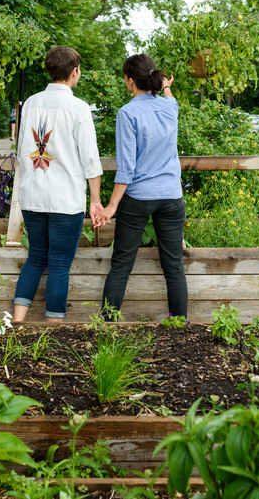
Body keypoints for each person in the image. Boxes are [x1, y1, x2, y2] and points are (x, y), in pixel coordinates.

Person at [12, 46, 104, 323]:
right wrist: (96, 201)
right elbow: (90, 159)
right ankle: (53, 328)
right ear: (74, 72)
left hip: (33, 195)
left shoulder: (30, 103)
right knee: (60, 265)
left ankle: (17, 322)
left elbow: (21, 150)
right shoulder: (78, 108)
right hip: (65, 199)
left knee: (36, 259)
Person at [95, 53, 188, 319]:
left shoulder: (127, 113)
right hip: (171, 196)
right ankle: (180, 326)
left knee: (122, 264)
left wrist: (111, 206)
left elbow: (126, 167)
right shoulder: (170, 108)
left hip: (137, 197)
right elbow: (169, 97)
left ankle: (108, 324)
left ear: (129, 81)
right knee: (174, 266)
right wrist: (167, 85)